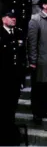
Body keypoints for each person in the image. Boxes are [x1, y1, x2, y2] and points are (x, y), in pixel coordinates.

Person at [0, 8, 26, 145]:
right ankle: (6, 134)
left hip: (15, 78)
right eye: (10, 17)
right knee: (3, 107)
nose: (13, 19)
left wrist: (22, 78)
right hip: (3, 79)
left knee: (12, 106)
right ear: (3, 19)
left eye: (15, 17)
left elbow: (22, 58)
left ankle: (10, 132)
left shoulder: (19, 33)